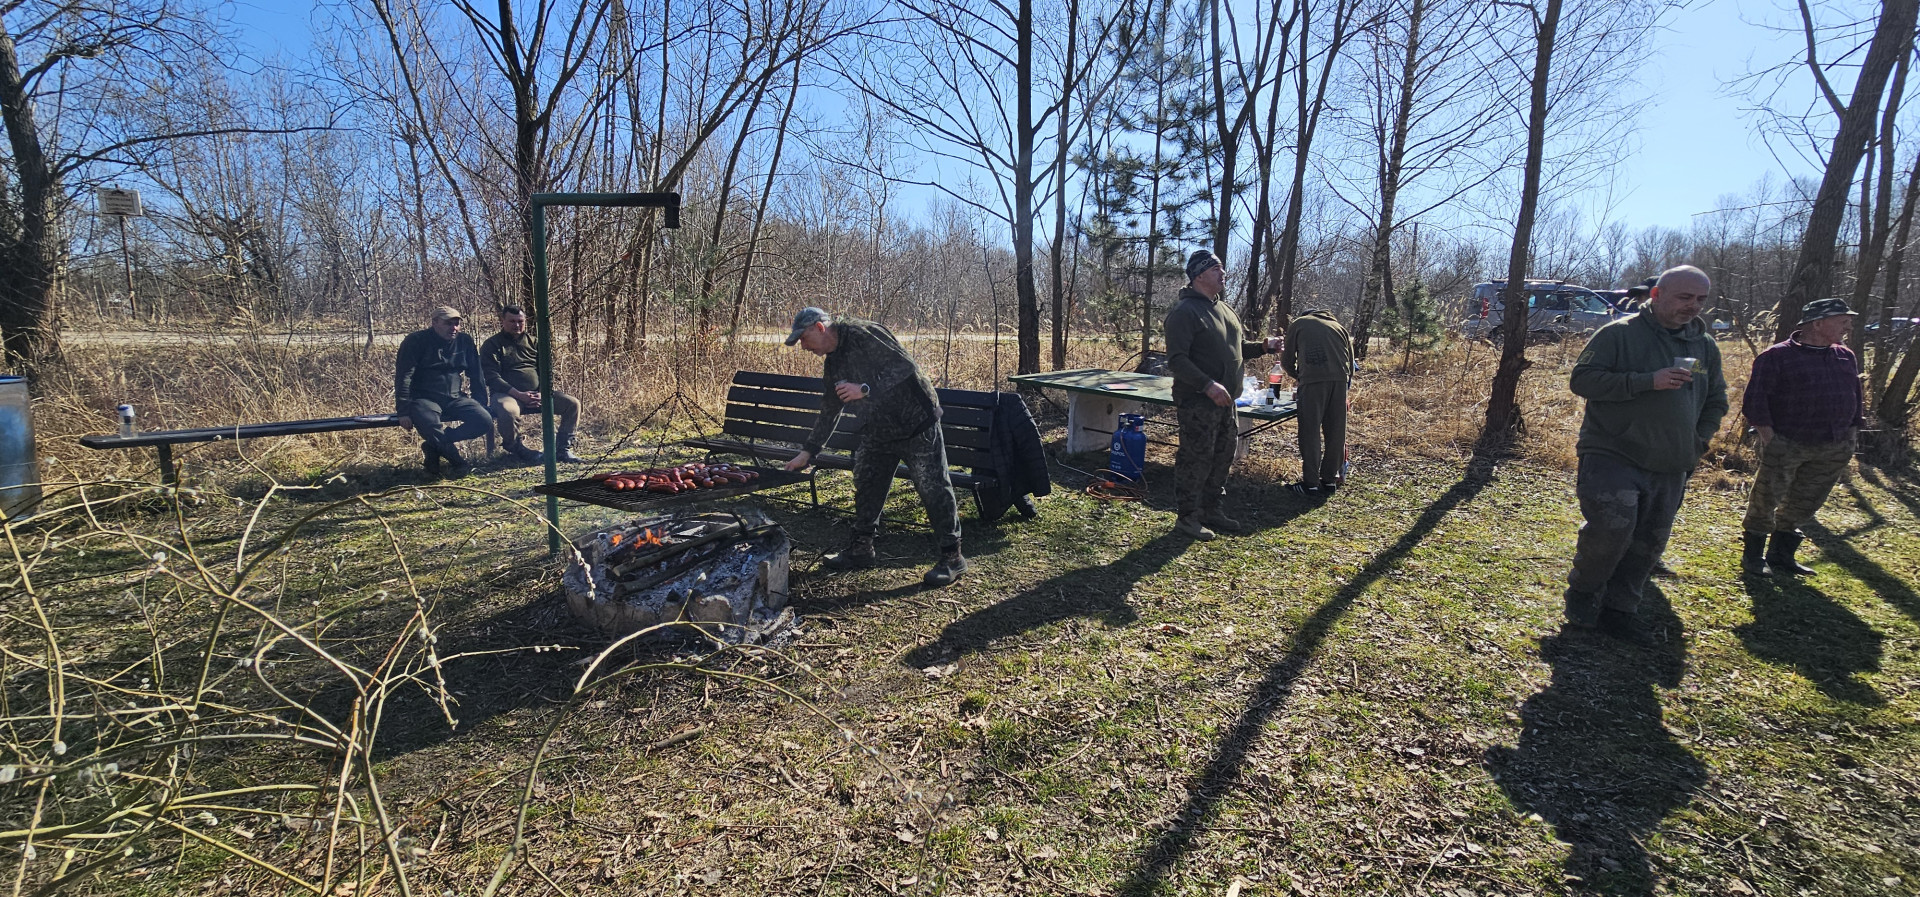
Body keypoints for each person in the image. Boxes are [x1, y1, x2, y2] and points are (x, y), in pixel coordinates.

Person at [1564, 265, 1728, 641]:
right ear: (1656, 295)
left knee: (1649, 542)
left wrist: (1699, 440)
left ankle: (1621, 608)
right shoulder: (1619, 334)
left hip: (1673, 460)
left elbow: (1717, 399)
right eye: (1684, 297)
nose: (1693, 306)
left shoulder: (1704, 345)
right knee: (1612, 530)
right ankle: (1584, 592)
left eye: (1700, 299)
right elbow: (1582, 380)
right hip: (1613, 451)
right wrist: (1647, 381)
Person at [782, 307, 967, 587]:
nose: (803, 347)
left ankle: (953, 557)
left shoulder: (863, 334)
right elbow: (830, 407)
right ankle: (861, 550)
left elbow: (904, 365)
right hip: (878, 431)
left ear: (820, 328)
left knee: (933, 488)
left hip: (916, 424)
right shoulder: (833, 363)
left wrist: (864, 388)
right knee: (867, 484)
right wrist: (809, 451)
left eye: (804, 339)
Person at [1738, 298, 1865, 577]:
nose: (1848, 327)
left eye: (1848, 321)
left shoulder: (1845, 356)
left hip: (1834, 446)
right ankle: (1753, 557)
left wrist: (1851, 435)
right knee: (1765, 500)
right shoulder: (1776, 356)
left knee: (1806, 501)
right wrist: (1771, 439)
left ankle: (1781, 555)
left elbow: (1856, 397)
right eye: (1842, 321)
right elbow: (1756, 402)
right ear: (1817, 324)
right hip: (1787, 443)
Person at [1163, 249, 1283, 541]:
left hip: (1227, 402)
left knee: (1222, 456)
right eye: (1216, 269)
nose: (1223, 273)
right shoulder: (1184, 313)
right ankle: (1188, 518)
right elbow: (1177, 360)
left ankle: (1211, 509)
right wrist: (1207, 385)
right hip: (1197, 401)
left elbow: (1238, 348)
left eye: (1221, 268)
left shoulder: (1225, 310)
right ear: (1199, 275)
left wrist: (1263, 347)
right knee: (1196, 459)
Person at [395, 306, 493, 478]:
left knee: (484, 420)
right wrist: (403, 410)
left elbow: (476, 373)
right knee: (430, 426)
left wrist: (481, 402)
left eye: (456, 324)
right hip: (424, 399)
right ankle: (459, 463)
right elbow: (404, 377)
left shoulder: (464, 341)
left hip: (455, 398)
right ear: (434, 323)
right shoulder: (415, 341)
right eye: (448, 324)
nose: (454, 328)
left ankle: (433, 446)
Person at [480, 305, 585, 465]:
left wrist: (542, 393)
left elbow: (546, 371)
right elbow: (492, 377)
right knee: (508, 411)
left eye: (520, 321)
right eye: (512, 321)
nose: (517, 325)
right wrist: (520, 395)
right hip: (507, 395)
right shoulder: (492, 344)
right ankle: (516, 449)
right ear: (503, 321)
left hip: (537, 394)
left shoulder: (535, 342)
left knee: (572, 404)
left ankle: (563, 449)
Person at [1281, 308, 1354, 497]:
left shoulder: (1299, 324)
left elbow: (1287, 360)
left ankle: (1311, 484)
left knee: (1310, 431)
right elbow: (1351, 363)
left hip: (1313, 381)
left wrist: (1300, 377)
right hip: (1340, 382)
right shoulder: (1339, 327)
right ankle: (1329, 480)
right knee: (1336, 432)